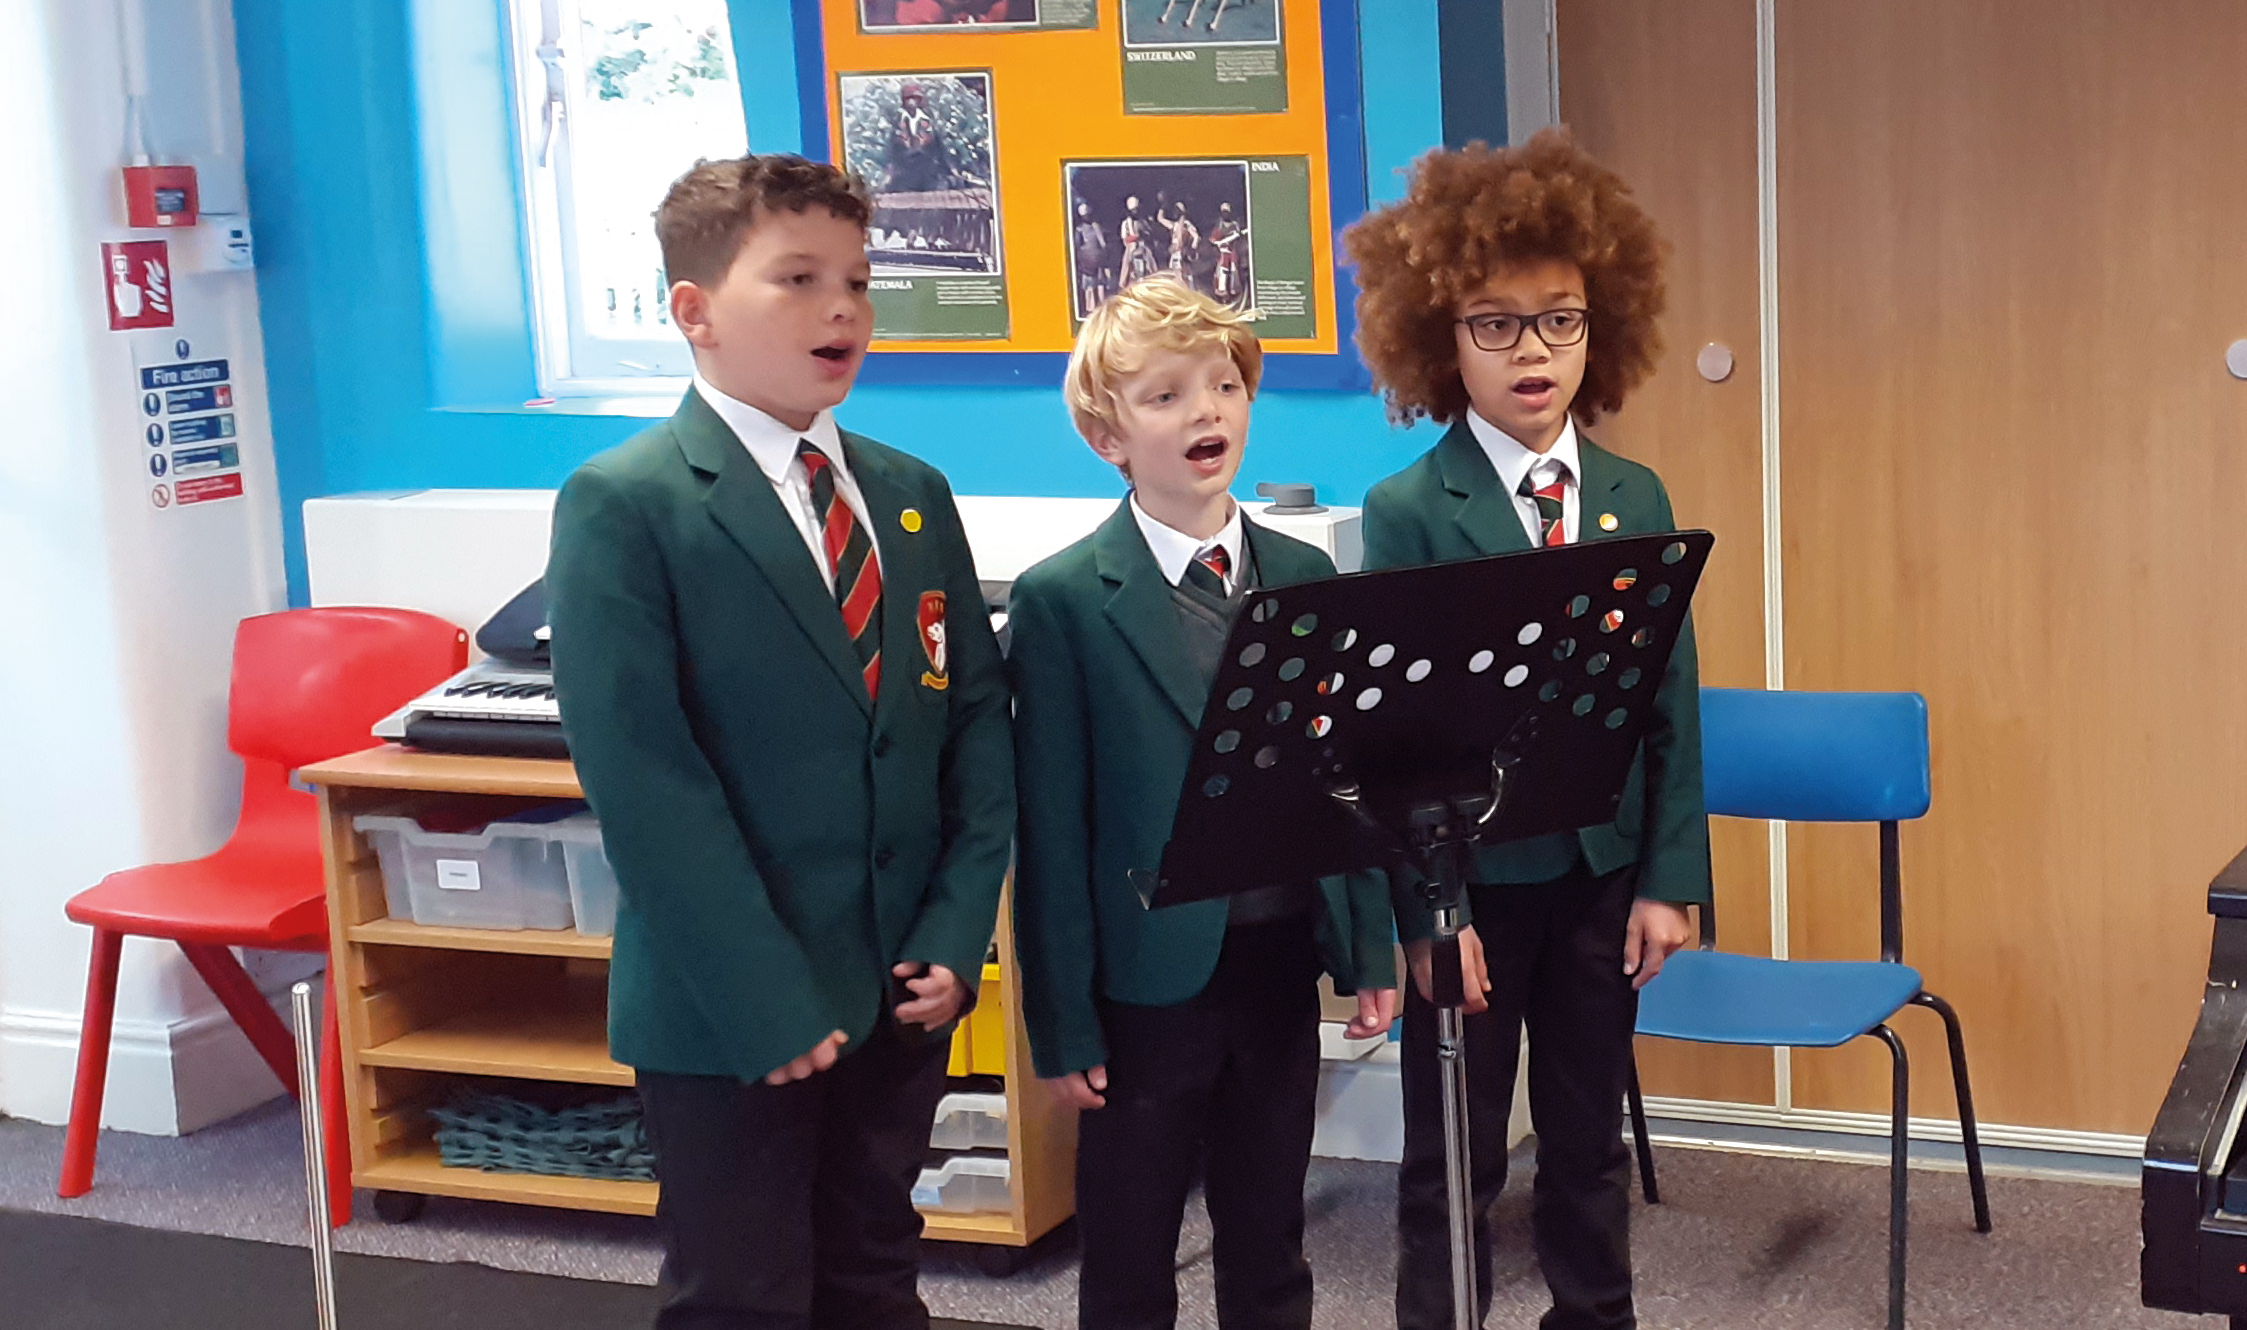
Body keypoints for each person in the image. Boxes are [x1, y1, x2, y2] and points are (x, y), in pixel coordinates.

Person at [546, 153, 1014, 1330]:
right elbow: (649, 785)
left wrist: (957, 937)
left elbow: (971, 731)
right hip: (732, 1010)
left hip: (899, 987)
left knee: (873, 1270)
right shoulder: (630, 502)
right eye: (797, 279)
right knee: (744, 1294)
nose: (842, 308)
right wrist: (767, 998)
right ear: (693, 312)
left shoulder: (911, 495)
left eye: (856, 279)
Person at [1341, 128, 1713, 1330]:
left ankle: (1595, 1317)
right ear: (1442, 341)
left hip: (1600, 879)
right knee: (1452, 1156)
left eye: (1559, 318)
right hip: (1473, 890)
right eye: (1495, 322)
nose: (1533, 350)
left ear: (1600, 326)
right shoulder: (1406, 510)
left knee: (1588, 1142)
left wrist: (1668, 877)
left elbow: (1669, 704)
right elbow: (1389, 750)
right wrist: (1429, 919)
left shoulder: (1632, 496)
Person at [1009, 276, 1400, 1330]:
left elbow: (1341, 776)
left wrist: (1369, 948)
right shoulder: (1062, 600)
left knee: (1269, 1234)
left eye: (1225, 385)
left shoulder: (1303, 571)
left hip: (1275, 959)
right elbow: (1050, 831)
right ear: (1108, 434)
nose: (1207, 412)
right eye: (1169, 395)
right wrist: (1062, 1022)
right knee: (1131, 1249)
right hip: (1143, 986)